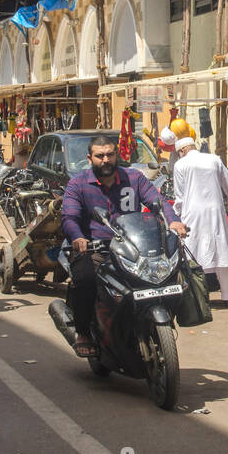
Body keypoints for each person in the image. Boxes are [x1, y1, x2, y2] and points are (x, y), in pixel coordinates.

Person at [60, 135, 185, 356]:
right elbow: (69, 217)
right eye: (100, 156)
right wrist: (78, 238)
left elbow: (157, 201)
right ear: (90, 158)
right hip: (97, 249)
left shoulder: (134, 178)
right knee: (85, 278)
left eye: (110, 154)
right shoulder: (78, 184)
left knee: (172, 272)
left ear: (116, 155)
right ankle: (83, 332)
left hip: (133, 247)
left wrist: (172, 220)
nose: (105, 160)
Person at [173, 136, 228, 306]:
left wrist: (176, 215)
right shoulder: (214, 160)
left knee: (192, 253)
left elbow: (180, 195)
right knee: (222, 250)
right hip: (215, 212)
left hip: (192, 213)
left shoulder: (180, 165)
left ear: (182, 151)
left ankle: (195, 297)